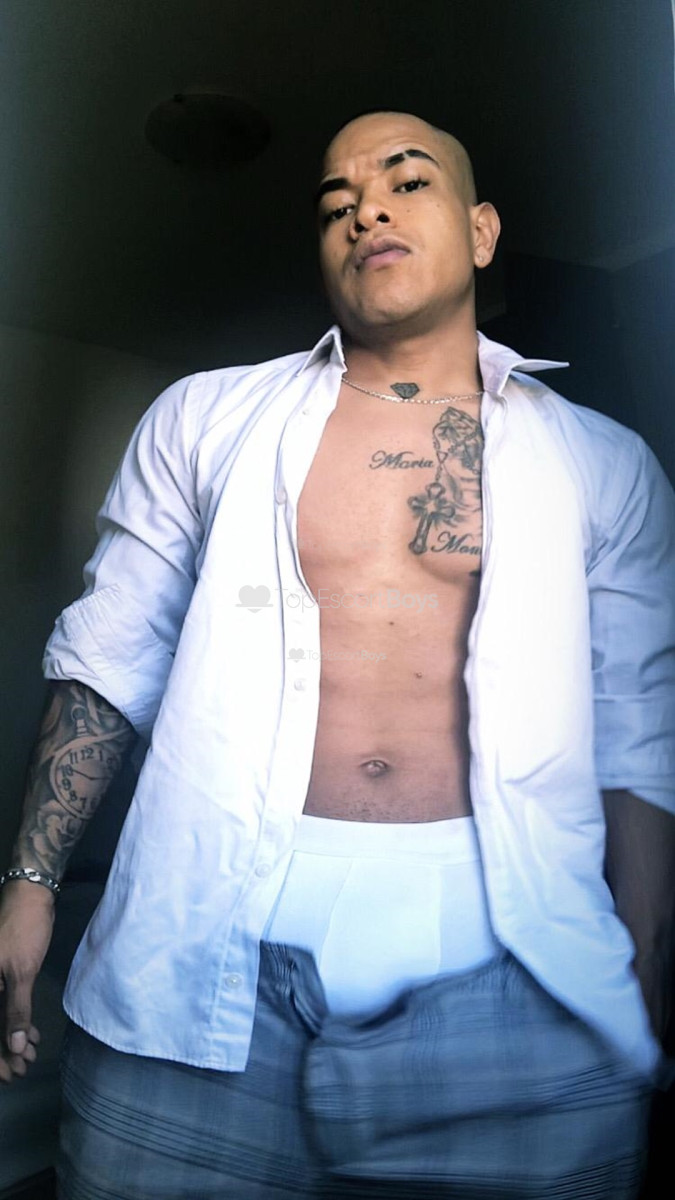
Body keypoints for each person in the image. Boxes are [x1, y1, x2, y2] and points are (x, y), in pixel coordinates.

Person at [1, 109, 674, 1199]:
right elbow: (109, 656)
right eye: (335, 202)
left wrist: (643, 946)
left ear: (483, 231)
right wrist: (31, 881)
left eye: (406, 182)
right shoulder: (203, 418)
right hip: (193, 968)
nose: (365, 209)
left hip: (524, 990)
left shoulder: (604, 464)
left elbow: (639, 718)